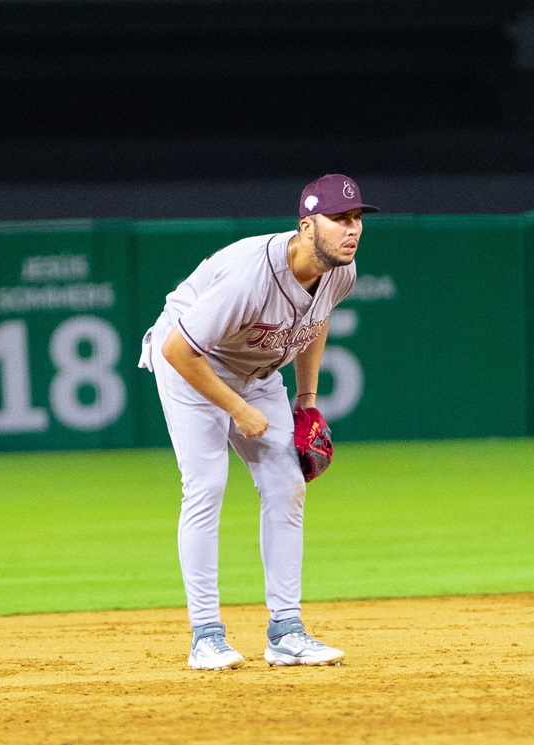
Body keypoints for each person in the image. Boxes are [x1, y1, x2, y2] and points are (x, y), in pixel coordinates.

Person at [138, 173, 379, 670]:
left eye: (356, 218)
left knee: (287, 484)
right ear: (306, 226)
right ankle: (205, 635)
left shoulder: (341, 272)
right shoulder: (252, 275)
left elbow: (317, 318)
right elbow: (178, 349)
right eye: (338, 219)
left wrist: (307, 400)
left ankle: (286, 631)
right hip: (191, 361)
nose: (351, 229)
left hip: (256, 367)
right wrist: (236, 408)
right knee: (205, 485)